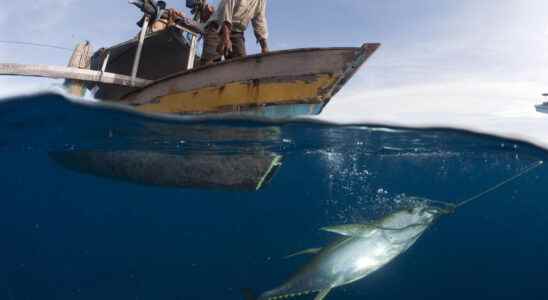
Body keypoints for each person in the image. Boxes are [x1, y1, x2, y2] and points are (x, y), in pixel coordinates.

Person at [201, 0, 269, 65]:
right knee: (210, 63)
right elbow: (226, 9)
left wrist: (264, 47)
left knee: (241, 64)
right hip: (217, 26)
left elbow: (260, 20)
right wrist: (226, 37)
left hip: (237, 32)